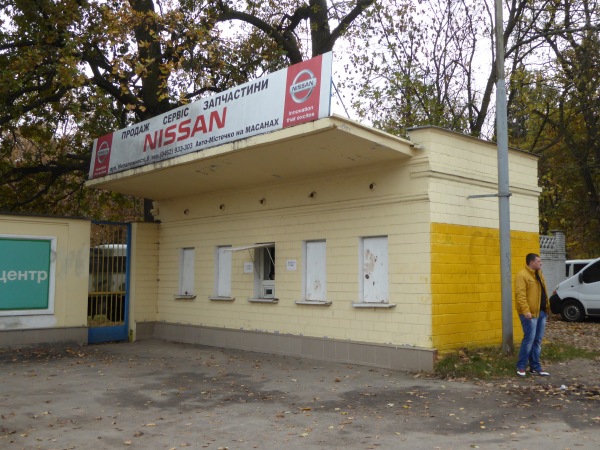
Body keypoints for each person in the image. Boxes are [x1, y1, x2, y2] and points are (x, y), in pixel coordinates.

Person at [514, 253, 550, 377]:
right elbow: (520, 295)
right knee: (529, 339)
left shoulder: (539, 274)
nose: (541, 263)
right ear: (531, 262)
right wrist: (526, 310)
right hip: (529, 314)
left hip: (541, 312)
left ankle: (535, 367)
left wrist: (546, 308)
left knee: (537, 340)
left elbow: (543, 292)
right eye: (539, 261)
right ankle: (521, 367)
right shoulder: (522, 275)